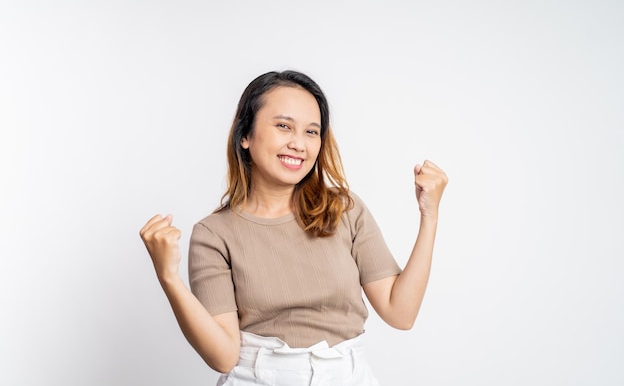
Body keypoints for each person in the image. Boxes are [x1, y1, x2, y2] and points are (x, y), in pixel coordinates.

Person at [139, 70, 448, 385]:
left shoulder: (343, 209)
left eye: (312, 132)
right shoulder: (214, 233)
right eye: (283, 126)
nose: (299, 144)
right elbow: (223, 357)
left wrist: (430, 215)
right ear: (244, 135)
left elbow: (401, 313)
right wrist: (169, 278)